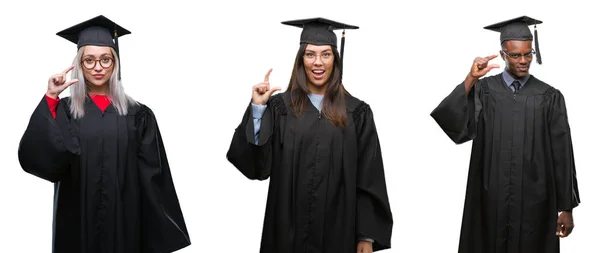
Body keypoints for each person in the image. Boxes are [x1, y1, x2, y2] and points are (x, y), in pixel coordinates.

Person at [17, 15, 191, 253]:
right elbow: (40, 157)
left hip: (126, 222)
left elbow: (153, 178)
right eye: (89, 60)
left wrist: (156, 233)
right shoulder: (65, 110)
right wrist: (51, 97)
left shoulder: (138, 114)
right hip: (75, 218)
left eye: (105, 60)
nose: (97, 67)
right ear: (79, 64)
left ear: (115, 63)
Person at [226, 17, 393, 253]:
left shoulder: (357, 113)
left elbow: (369, 176)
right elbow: (257, 168)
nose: (318, 62)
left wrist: (366, 235)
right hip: (286, 232)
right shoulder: (280, 108)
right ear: (301, 60)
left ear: (336, 59)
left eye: (326, 54)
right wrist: (258, 109)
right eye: (310, 54)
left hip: (338, 233)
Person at [430, 16, 580, 253]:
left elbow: (562, 155)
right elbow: (451, 120)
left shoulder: (549, 97)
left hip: (536, 201)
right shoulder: (484, 90)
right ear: (502, 54)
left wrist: (566, 208)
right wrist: (471, 78)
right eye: (516, 55)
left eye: (528, 54)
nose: (524, 61)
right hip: (490, 199)